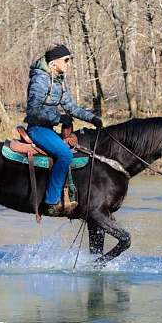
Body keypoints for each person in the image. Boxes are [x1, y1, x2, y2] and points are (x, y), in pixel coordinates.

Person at [25, 43, 102, 216]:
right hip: (37, 128)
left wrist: (92, 118)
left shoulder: (59, 80)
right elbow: (32, 111)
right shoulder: (40, 79)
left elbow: (70, 107)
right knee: (65, 155)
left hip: (49, 129)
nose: (68, 63)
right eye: (66, 60)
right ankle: (52, 201)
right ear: (53, 63)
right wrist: (58, 118)